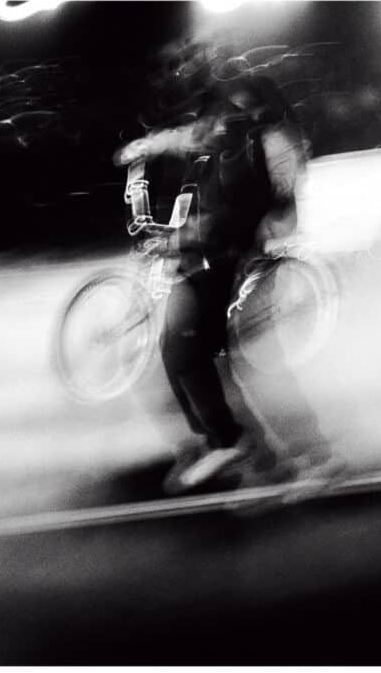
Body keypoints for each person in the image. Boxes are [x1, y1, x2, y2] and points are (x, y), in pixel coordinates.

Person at [115, 74, 344, 493]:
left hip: (245, 259)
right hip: (218, 254)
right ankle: (258, 462)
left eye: (237, 110)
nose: (227, 120)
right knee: (195, 357)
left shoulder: (270, 143)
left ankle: (309, 457)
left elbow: (259, 207)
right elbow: (193, 139)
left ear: (258, 110)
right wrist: (148, 146)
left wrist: (193, 236)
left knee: (246, 365)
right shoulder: (233, 136)